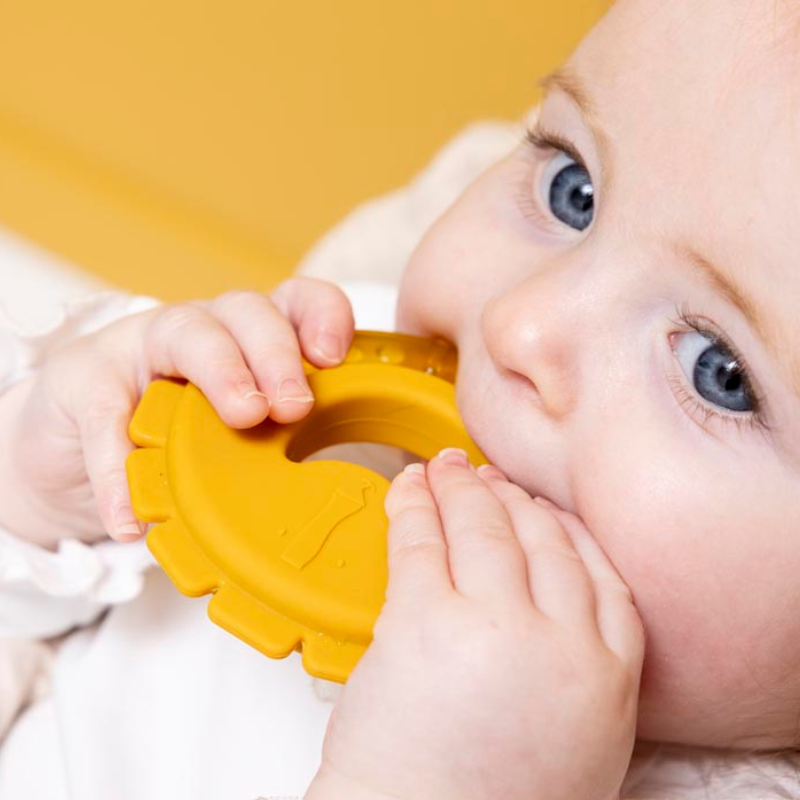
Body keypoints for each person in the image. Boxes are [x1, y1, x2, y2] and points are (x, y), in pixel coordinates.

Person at [2, 0, 800, 796]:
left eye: (718, 369)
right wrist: (40, 503)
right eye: (573, 190)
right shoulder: (321, 376)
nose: (518, 325)